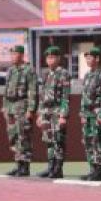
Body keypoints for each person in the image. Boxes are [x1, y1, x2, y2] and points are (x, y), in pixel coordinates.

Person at [1, 45, 38, 177]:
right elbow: (6, 90)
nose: (12, 57)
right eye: (11, 54)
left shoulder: (29, 70)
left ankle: (25, 166)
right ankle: (18, 164)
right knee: (13, 136)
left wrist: (31, 110)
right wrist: (4, 107)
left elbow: (33, 91)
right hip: (11, 107)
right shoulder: (11, 71)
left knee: (23, 136)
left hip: (22, 106)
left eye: (15, 54)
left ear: (22, 55)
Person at [36, 45, 71, 179]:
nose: (50, 60)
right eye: (48, 57)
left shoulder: (63, 74)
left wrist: (63, 115)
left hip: (57, 110)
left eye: (52, 57)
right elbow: (42, 96)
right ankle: (50, 166)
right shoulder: (46, 74)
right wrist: (40, 114)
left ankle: (58, 168)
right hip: (46, 111)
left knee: (58, 140)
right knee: (49, 140)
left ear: (58, 58)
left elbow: (65, 96)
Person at [78, 47, 101, 181]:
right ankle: (92, 169)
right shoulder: (87, 75)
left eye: (90, 57)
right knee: (88, 141)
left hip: (97, 113)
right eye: (86, 57)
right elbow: (84, 95)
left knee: (98, 141)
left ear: (97, 58)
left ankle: (98, 170)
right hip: (87, 113)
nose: (87, 60)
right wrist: (82, 113)